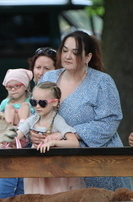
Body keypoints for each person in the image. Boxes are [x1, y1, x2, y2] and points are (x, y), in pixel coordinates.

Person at [33, 30, 132, 191]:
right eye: (65, 50)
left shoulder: (102, 82)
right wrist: (34, 132)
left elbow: (109, 122)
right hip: (56, 165)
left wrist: (67, 134)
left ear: (88, 57)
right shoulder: (48, 78)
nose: (67, 56)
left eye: (75, 52)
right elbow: (35, 111)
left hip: (97, 164)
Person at [14, 81, 81, 194]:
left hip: (54, 168)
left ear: (54, 102)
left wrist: (53, 143)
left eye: (42, 103)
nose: (37, 106)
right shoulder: (32, 120)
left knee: (55, 196)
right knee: (35, 196)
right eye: (33, 102)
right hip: (35, 167)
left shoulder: (57, 121)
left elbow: (74, 142)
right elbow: (15, 136)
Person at [0, 68, 34, 199]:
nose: (13, 89)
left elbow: (34, 116)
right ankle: (9, 133)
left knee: (24, 107)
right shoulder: (6, 103)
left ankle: (20, 127)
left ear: (25, 86)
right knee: (9, 107)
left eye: (17, 86)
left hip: (25, 136)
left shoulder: (30, 102)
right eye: (9, 87)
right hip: (10, 133)